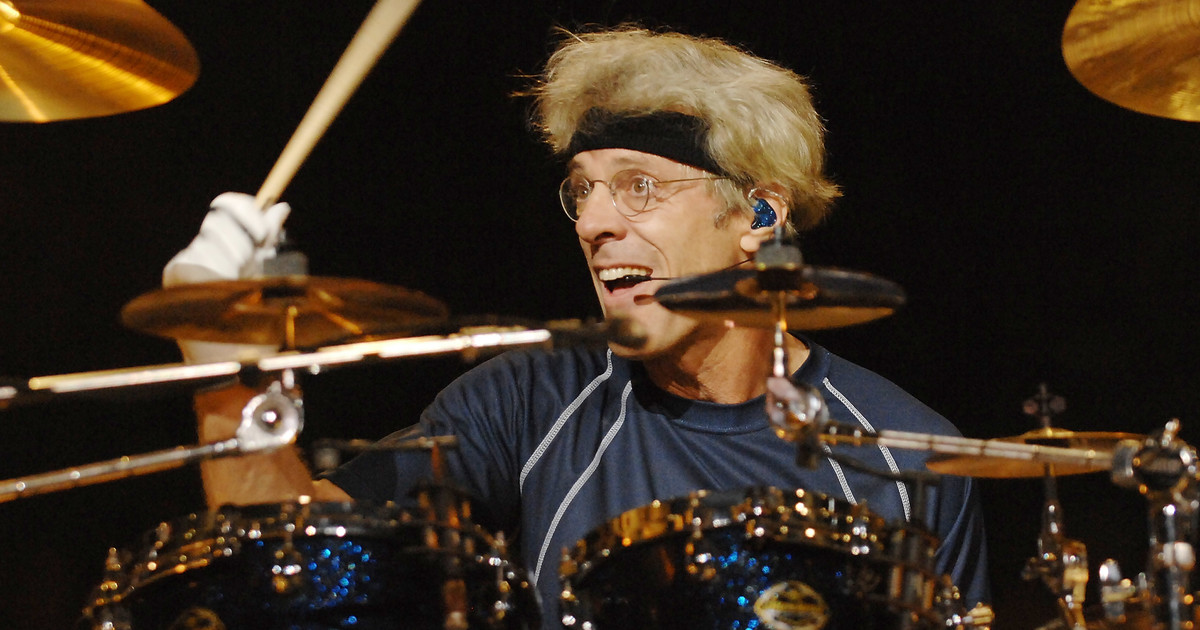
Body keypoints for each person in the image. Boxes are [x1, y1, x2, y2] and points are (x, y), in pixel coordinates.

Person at [165, 26, 989, 627]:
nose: (593, 223)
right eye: (582, 190)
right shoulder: (525, 402)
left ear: (760, 215)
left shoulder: (910, 457)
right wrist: (222, 359)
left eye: (638, 187)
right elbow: (296, 570)